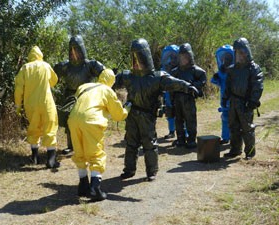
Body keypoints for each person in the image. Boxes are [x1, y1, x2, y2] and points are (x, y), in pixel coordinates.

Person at [113, 38, 198, 181]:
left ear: (145, 57)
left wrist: (188, 87)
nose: (136, 61)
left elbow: (174, 83)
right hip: (132, 114)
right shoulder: (127, 76)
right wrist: (110, 78)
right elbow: (109, 83)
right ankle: (129, 170)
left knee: (149, 144)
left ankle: (151, 171)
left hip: (147, 115)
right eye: (134, 58)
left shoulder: (156, 77)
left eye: (139, 57)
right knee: (131, 143)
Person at [68, 68, 130, 201]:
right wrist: (126, 109)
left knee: (80, 152)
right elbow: (118, 115)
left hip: (73, 120)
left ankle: (83, 185)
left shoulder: (84, 86)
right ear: (112, 81)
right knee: (96, 153)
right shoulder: (107, 90)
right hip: (91, 121)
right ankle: (95, 188)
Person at [54, 35, 105, 155]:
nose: (73, 53)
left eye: (76, 49)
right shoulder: (65, 65)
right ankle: (71, 146)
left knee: (86, 122)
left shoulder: (90, 65)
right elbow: (52, 75)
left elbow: (105, 75)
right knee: (69, 123)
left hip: (86, 97)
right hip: (70, 97)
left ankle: (86, 146)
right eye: (71, 50)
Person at [14, 46, 60, 168]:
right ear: (40, 55)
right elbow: (54, 81)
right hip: (46, 103)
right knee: (50, 128)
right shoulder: (45, 65)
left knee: (34, 129)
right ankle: (51, 160)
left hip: (31, 104)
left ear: (30, 56)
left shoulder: (25, 68)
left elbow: (18, 89)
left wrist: (17, 105)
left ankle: (34, 157)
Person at [222, 37, 263, 160]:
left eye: (241, 52)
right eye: (237, 53)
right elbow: (228, 86)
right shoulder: (232, 69)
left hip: (246, 103)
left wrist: (253, 101)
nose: (239, 55)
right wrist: (225, 98)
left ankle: (250, 152)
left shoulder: (254, 68)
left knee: (247, 128)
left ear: (247, 52)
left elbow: (258, 86)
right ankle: (235, 150)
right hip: (234, 102)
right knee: (233, 127)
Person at [171, 43, 207, 149]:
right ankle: (180, 139)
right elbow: (169, 84)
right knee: (178, 120)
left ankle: (191, 140)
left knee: (190, 120)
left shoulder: (195, 70)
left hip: (189, 98)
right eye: (181, 57)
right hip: (177, 99)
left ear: (190, 57)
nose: (183, 59)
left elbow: (203, 79)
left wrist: (193, 86)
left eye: (185, 57)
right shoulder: (175, 71)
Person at [210, 45, 234, 144]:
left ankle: (234, 139)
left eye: (228, 58)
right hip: (224, 98)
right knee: (225, 118)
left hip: (234, 98)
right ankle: (225, 137)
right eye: (224, 58)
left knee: (234, 120)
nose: (226, 60)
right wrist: (216, 78)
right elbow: (215, 82)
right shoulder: (221, 71)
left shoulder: (236, 71)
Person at [160, 45, 179, 139]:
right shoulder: (163, 70)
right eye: (168, 56)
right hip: (168, 95)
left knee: (181, 114)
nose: (171, 60)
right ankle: (172, 131)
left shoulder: (181, 69)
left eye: (173, 56)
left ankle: (185, 133)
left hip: (178, 95)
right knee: (169, 112)